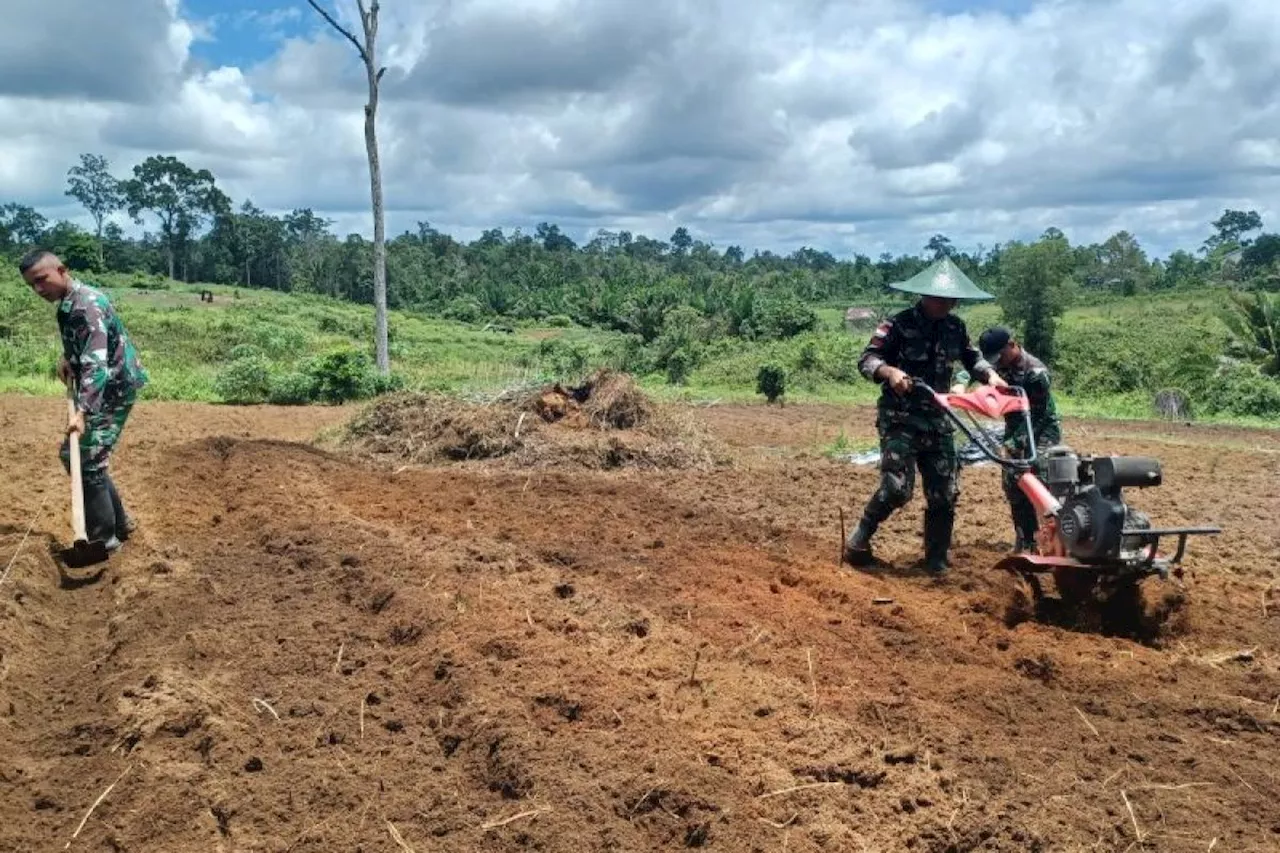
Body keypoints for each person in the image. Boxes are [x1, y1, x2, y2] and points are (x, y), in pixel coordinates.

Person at [844, 258, 1006, 575]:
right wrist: (890, 373)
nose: (947, 304)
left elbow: (972, 358)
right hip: (900, 418)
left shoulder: (955, 327)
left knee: (945, 493)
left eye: (952, 299)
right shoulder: (897, 325)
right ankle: (859, 540)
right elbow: (867, 359)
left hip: (938, 419)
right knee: (897, 488)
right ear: (924, 296)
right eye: (941, 298)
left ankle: (936, 561)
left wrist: (990, 376)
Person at [19, 250, 148, 553]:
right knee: (85, 458)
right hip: (102, 385)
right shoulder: (67, 304)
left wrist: (82, 412)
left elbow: (96, 365)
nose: (38, 289)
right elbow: (83, 345)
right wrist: (68, 357)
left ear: (61, 270)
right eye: (31, 285)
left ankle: (104, 541)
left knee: (86, 461)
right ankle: (120, 525)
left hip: (112, 388)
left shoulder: (87, 305)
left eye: (41, 280)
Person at [978, 326, 1062, 554]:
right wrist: (961, 380)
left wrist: (1013, 445)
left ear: (1012, 345)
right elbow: (975, 368)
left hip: (1042, 430)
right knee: (1013, 484)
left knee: (1042, 480)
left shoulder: (1036, 373)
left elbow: (1036, 417)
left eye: (1001, 356)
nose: (999, 363)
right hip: (1015, 426)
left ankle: (1058, 539)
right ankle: (1026, 540)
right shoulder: (997, 366)